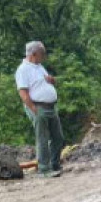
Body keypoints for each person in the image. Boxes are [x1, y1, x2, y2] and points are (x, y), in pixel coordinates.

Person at [15, 41, 65, 178]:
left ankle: (55, 164)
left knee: (58, 137)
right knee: (42, 138)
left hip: (50, 106)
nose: (44, 56)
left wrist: (51, 80)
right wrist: (33, 109)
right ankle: (44, 169)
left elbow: (44, 83)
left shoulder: (39, 67)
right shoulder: (23, 69)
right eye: (42, 53)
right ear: (34, 54)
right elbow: (23, 92)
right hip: (38, 107)